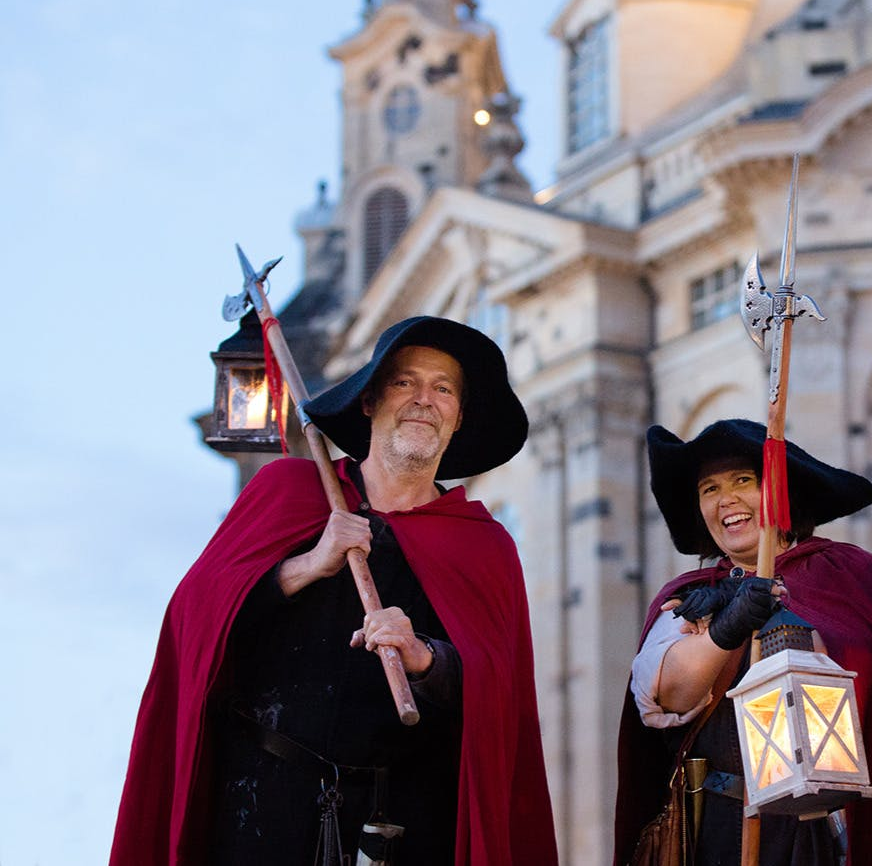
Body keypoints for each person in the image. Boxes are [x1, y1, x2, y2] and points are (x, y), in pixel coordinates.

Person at [111, 316, 557, 866]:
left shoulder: (484, 547)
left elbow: (500, 696)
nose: (424, 399)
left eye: (443, 389)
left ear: (459, 417)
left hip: (402, 823)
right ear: (369, 401)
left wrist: (428, 660)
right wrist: (305, 566)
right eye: (404, 382)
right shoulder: (287, 491)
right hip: (260, 806)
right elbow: (193, 620)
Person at [614, 419, 872, 866]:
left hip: (843, 821)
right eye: (709, 489)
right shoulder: (689, 597)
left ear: (783, 490)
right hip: (726, 826)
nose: (726, 499)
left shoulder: (853, 574)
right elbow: (667, 693)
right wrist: (728, 627)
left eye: (743, 479)